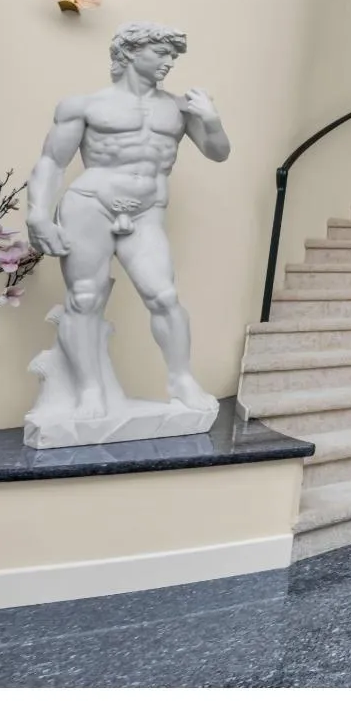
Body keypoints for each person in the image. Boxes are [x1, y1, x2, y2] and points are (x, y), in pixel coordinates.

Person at [27, 22, 230, 419]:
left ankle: (182, 380)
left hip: (146, 211)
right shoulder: (83, 105)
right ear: (131, 52)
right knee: (84, 299)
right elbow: (52, 162)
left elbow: (218, 152)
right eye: (162, 53)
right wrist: (38, 215)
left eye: (173, 56)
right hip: (91, 205)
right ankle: (90, 391)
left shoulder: (179, 108)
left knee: (163, 296)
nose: (169, 62)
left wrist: (212, 120)